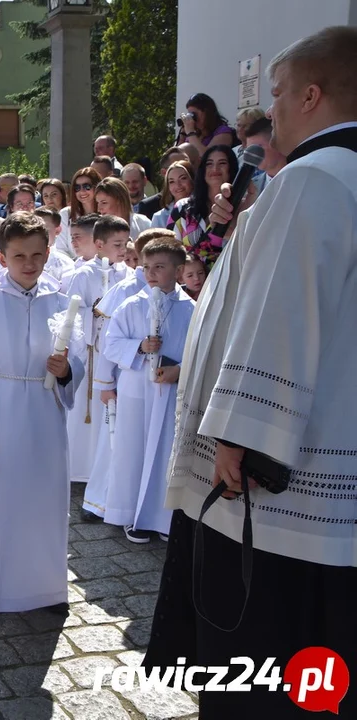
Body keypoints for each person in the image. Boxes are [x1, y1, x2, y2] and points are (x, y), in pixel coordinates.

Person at [145, 27, 357, 718]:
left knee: (266, 658)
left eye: (275, 94)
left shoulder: (312, 180)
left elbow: (280, 314)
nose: (266, 114)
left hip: (277, 488)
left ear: (310, 93)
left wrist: (242, 436)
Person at [0, 212, 82, 619]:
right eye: (18, 256)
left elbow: (76, 359)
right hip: (0, 412)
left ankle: (45, 588)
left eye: (36, 254)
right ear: (1, 257)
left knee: (44, 500)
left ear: (48, 254)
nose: (28, 264)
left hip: (45, 415)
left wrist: (66, 372)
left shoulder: (62, 303)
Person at [103, 239, 194, 543]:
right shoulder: (132, 305)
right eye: (146, 267)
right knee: (134, 451)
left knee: (166, 451)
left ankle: (163, 518)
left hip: (171, 392)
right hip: (136, 391)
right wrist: (139, 347)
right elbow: (111, 344)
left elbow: (199, 350)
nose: (151, 273)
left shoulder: (191, 309)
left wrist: (179, 370)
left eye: (159, 267)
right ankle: (131, 514)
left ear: (179, 271)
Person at [64, 215, 131, 487]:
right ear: (99, 244)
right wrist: (94, 314)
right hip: (92, 352)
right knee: (86, 410)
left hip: (116, 353)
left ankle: (109, 470)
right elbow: (72, 312)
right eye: (117, 244)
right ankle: (82, 468)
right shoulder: (84, 274)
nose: (123, 249)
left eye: (126, 243)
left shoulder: (127, 273)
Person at [168, 144, 238, 270]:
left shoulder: (242, 207)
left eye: (222, 163)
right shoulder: (182, 208)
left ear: (231, 168)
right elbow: (169, 251)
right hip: (189, 284)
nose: (215, 168)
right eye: (209, 164)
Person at [55, 167, 102, 259]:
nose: (81, 191)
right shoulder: (66, 214)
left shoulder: (105, 214)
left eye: (86, 186)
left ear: (97, 187)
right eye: (77, 188)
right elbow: (61, 250)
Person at [138, 147, 191, 218]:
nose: (182, 170)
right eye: (176, 166)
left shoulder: (205, 201)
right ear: (164, 172)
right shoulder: (150, 207)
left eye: (187, 166)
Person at [244, 117, 289, 195]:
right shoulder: (249, 188)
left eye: (257, 148)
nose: (253, 154)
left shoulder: (302, 180)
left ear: (277, 143)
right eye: (249, 149)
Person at [34, 207, 75, 285]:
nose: (38, 234)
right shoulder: (16, 259)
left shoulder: (66, 265)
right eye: (34, 229)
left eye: (44, 230)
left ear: (57, 230)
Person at [151, 160, 194, 228]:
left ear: (192, 179)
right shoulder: (159, 217)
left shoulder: (206, 208)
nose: (178, 185)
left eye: (183, 178)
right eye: (171, 181)